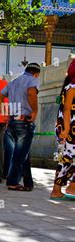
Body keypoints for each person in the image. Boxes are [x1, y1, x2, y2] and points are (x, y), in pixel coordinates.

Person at [0, 62, 40, 191]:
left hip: (13, 121)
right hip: (24, 121)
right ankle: (12, 181)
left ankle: (28, 182)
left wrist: (5, 112)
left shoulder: (13, 82)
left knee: (23, 153)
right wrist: (34, 111)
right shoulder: (33, 80)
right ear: (36, 73)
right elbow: (31, 93)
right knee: (19, 154)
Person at [50, 60, 75, 200]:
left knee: (68, 159)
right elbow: (66, 110)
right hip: (69, 129)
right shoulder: (72, 87)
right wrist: (65, 130)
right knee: (65, 159)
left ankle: (72, 187)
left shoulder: (70, 86)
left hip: (70, 128)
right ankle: (57, 190)